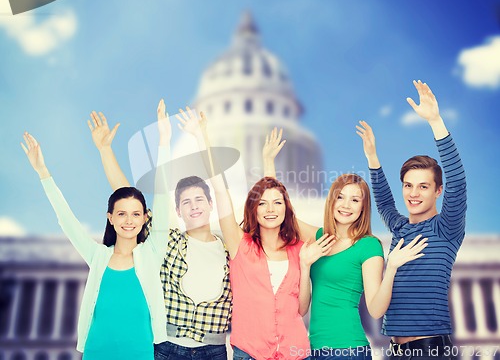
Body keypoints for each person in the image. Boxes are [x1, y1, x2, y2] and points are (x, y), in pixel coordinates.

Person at [175, 108, 335, 360]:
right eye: (262, 204)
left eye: (278, 204)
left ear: (287, 208)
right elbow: (219, 187)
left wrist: (305, 266)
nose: (270, 209)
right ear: (253, 209)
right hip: (249, 352)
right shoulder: (239, 244)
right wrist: (201, 136)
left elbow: (301, 309)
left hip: (295, 353)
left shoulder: (299, 250)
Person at [263, 129, 428, 360]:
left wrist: (391, 268)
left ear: (363, 207)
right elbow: (282, 215)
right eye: (340, 197)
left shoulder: (368, 246)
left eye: (355, 199)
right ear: (331, 200)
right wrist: (269, 164)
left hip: (348, 350)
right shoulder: (320, 237)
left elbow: (375, 308)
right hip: (314, 348)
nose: (346, 205)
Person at [87, 102, 231, 360]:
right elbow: (129, 200)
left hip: (214, 349)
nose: (194, 206)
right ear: (177, 210)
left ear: (211, 204)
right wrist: (105, 150)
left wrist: (202, 137)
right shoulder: (167, 241)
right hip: (168, 347)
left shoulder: (229, 246)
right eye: (185, 202)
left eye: (200, 200)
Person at [21, 122, 170, 359]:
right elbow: (67, 220)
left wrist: (164, 142)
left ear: (145, 218)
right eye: (121, 213)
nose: (128, 220)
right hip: (96, 351)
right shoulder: (99, 255)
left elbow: (163, 199)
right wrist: (43, 173)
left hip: (139, 352)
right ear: (110, 218)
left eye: (135, 214)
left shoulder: (152, 253)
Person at [356, 80, 467, 360]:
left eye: (423, 186)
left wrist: (435, 122)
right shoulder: (400, 228)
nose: (414, 194)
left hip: (430, 350)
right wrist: (372, 157)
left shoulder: (447, 227)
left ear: (438, 191)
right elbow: (382, 201)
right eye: (408, 185)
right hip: (395, 350)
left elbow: (458, 180)